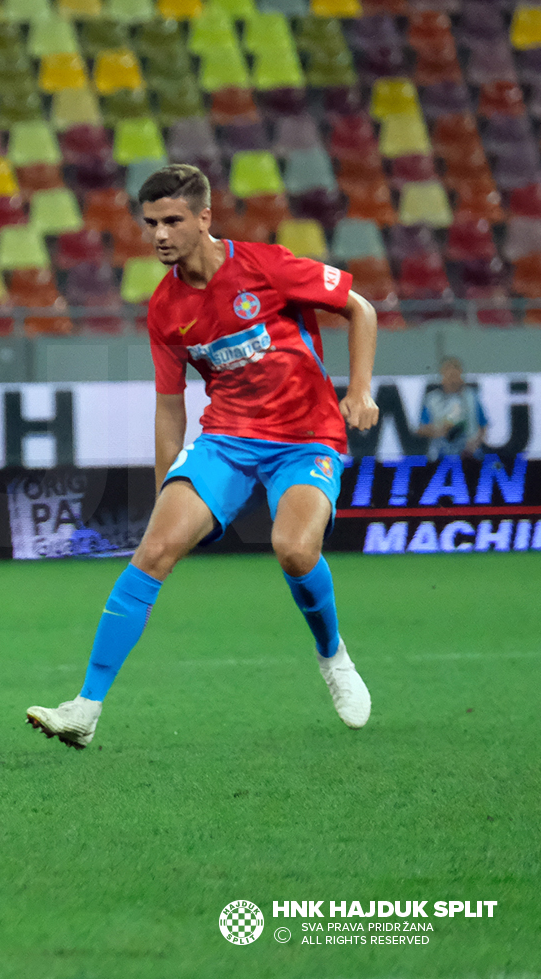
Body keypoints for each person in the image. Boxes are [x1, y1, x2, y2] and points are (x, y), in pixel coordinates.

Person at [25, 164, 381, 749]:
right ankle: (85, 709)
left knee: (294, 550)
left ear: (204, 218)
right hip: (227, 440)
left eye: (172, 220)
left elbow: (360, 309)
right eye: (150, 223)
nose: (160, 234)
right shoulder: (165, 309)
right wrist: (170, 487)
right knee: (154, 549)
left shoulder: (266, 266)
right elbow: (169, 409)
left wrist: (359, 389)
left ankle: (332, 655)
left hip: (307, 437)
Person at [416, 356, 487, 462]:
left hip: (468, 452)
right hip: (440, 452)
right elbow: (422, 429)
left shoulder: (472, 396)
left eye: (455, 371)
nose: (452, 375)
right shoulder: (432, 399)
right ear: (442, 374)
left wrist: (474, 444)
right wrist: (440, 431)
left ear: (461, 374)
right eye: (448, 371)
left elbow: (483, 425)